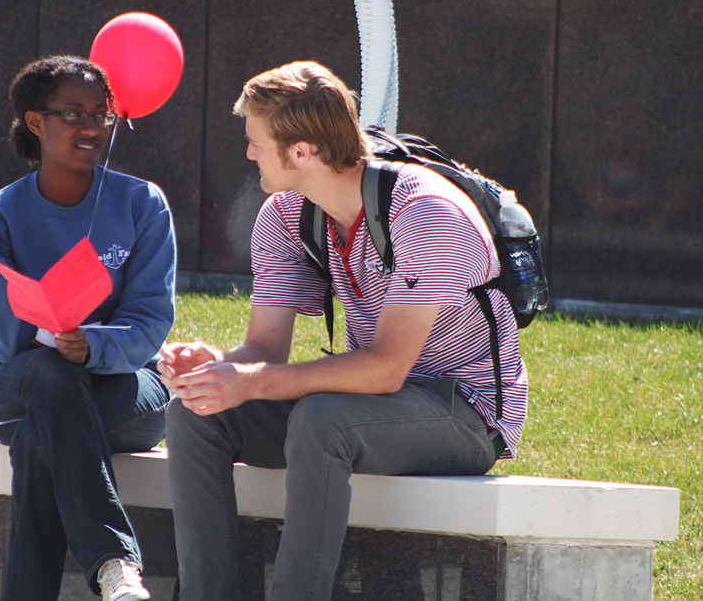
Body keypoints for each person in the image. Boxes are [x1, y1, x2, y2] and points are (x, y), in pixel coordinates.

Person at [159, 61, 527, 601]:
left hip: (466, 412)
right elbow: (265, 350)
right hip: (365, 405)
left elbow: (384, 368)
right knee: (194, 413)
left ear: (303, 151)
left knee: (320, 421)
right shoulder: (285, 214)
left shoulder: (429, 213)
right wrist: (219, 370)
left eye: (256, 142)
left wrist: (252, 381)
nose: (248, 154)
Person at [0, 55, 176, 601]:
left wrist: (92, 344)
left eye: (102, 115)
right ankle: (113, 563)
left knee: (47, 426)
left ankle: (106, 568)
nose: (92, 127)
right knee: (47, 378)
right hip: (24, 385)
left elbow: (149, 322)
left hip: (124, 390)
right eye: (74, 114)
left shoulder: (141, 204)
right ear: (36, 123)